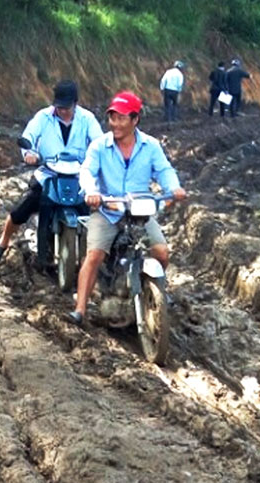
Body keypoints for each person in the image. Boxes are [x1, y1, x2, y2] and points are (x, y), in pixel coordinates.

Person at [67, 91, 186, 325]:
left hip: (139, 212)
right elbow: (87, 172)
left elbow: (164, 170)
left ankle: (156, 289)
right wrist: (92, 193)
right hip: (108, 211)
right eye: (113, 118)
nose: (116, 124)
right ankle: (80, 308)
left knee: (161, 252)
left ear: (135, 120)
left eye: (122, 118)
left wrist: (174, 188)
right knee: (95, 255)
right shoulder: (99, 146)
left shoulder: (151, 146)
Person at [0, 80, 103, 269]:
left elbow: (99, 142)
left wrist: (97, 158)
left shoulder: (87, 119)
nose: (63, 111)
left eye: (67, 107)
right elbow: (29, 136)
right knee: (23, 209)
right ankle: (2, 242)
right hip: (48, 174)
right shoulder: (43, 117)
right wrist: (29, 153)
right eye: (59, 107)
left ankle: (94, 258)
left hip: (78, 177)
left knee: (93, 214)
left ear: (75, 103)